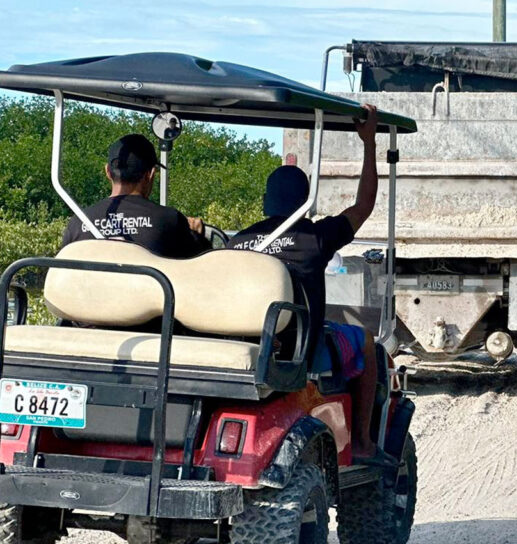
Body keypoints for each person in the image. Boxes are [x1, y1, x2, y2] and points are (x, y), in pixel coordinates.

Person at [229, 106, 381, 459]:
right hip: (304, 350)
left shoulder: (240, 243)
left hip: (255, 342)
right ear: (304, 202)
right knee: (368, 342)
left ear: (266, 202)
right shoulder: (314, 238)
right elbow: (365, 205)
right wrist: (369, 144)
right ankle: (361, 441)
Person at [63, 134, 210, 258]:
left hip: (91, 293)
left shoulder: (77, 223)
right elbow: (199, 273)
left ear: (108, 171)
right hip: (149, 293)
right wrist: (198, 237)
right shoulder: (170, 220)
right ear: (150, 174)